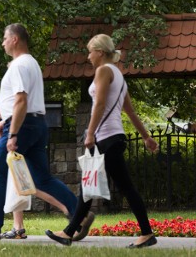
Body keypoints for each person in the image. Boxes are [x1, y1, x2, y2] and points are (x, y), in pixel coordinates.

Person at [0, 23, 89, 241]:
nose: (2, 43)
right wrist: (6, 121)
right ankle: (81, 213)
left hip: (22, 127)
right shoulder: (31, 63)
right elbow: (25, 102)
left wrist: (12, 133)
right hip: (37, 124)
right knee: (42, 179)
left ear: (14, 39)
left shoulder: (19, 65)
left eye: (4, 38)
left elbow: (21, 100)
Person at [46, 34, 159, 249]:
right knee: (90, 186)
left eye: (90, 51)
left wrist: (89, 133)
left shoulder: (103, 71)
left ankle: (146, 233)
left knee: (119, 186)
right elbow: (130, 112)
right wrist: (145, 136)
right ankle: (69, 232)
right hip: (113, 137)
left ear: (100, 52)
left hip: (105, 138)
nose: (88, 56)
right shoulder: (119, 75)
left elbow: (98, 105)